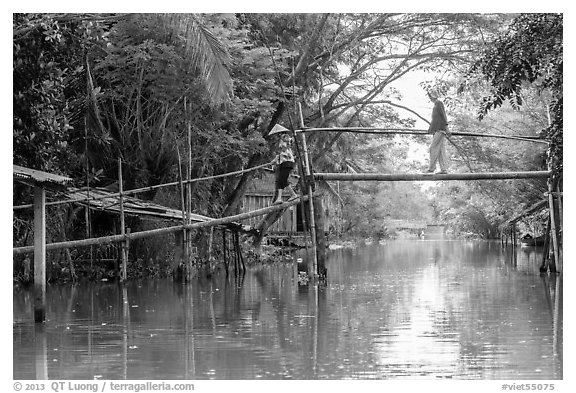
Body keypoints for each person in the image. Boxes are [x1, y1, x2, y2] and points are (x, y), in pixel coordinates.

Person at [426, 91, 450, 174]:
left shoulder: (439, 103)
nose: (430, 98)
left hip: (440, 129)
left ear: (434, 96)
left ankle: (431, 168)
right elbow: (434, 120)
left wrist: (447, 128)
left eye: (431, 96)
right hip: (437, 129)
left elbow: (443, 115)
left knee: (433, 147)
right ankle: (444, 169)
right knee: (440, 150)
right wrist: (430, 129)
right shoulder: (436, 105)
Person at [272, 131, 298, 205]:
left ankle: (292, 195)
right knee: (281, 181)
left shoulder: (284, 142)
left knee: (282, 181)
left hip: (287, 163)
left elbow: (288, 143)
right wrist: (274, 161)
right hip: (284, 163)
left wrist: (292, 138)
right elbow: (279, 154)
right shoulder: (282, 144)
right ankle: (281, 198)